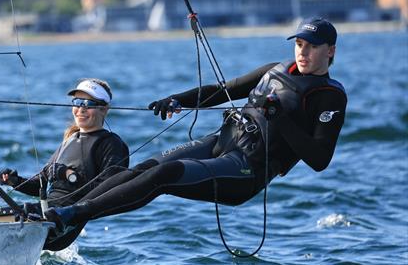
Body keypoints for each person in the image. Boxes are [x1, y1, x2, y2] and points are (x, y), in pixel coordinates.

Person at [46, 17, 347, 238]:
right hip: (219, 143)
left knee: (164, 175)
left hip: (246, 170)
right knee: (144, 168)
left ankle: (73, 214)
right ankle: (64, 211)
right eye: (299, 44)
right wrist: (178, 99)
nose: (303, 52)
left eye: (312, 47)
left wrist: (278, 117)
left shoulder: (329, 96)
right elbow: (223, 89)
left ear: (330, 51)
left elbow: (319, 160)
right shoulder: (275, 70)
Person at [0, 78, 129, 250]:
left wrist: (69, 176)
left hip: (62, 224)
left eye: (88, 103)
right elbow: (41, 184)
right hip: (44, 212)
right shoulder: (69, 140)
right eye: (77, 102)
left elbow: (110, 189)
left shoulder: (111, 144)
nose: (81, 109)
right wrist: (15, 181)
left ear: (104, 109)